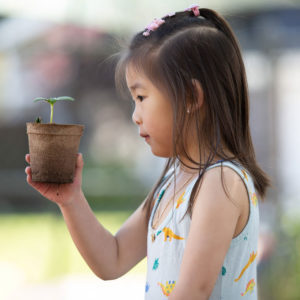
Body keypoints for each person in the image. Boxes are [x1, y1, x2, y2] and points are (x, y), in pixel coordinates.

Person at [25, 5, 271, 300]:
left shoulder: (220, 182)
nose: (135, 115)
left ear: (191, 96)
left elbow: (192, 292)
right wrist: (71, 200)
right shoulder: (174, 179)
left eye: (141, 97)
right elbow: (112, 259)